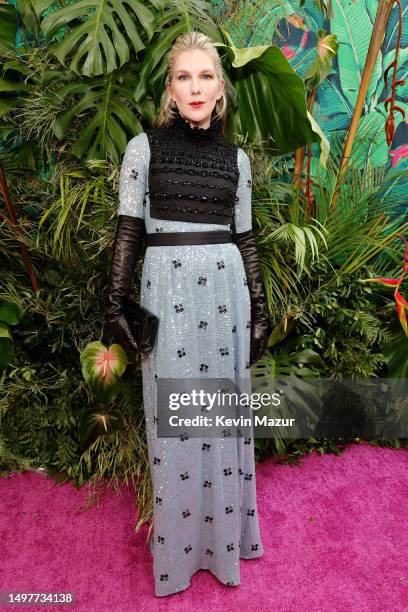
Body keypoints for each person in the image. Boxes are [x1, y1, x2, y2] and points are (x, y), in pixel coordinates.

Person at [104, 30, 271, 597]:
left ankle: (226, 545)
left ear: (220, 91)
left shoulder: (236, 160)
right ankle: (177, 554)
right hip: (167, 299)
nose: (195, 87)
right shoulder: (142, 149)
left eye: (205, 77)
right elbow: (128, 231)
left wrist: (261, 308)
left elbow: (245, 237)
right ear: (170, 91)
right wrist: (114, 304)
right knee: (172, 425)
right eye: (183, 76)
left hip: (226, 299)